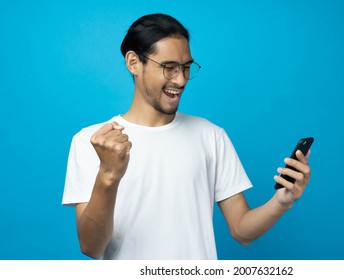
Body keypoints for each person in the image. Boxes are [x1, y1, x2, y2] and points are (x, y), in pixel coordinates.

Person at [62, 13, 312, 260]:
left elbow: (241, 231)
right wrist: (108, 175)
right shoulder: (93, 141)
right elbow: (91, 247)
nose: (181, 80)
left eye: (186, 68)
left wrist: (282, 200)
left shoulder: (211, 136)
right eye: (169, 68)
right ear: (134, 63)